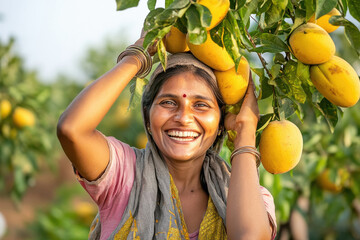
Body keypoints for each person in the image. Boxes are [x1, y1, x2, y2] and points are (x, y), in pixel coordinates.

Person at [57, 30, 277, 239]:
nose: (183, 117)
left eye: (200, 105)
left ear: (220, 122)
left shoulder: (249, 197)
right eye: (168, 102)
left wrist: (246, 128)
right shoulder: (123, 175)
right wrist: (139, 53)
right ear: (147, 116)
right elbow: (72, 130)